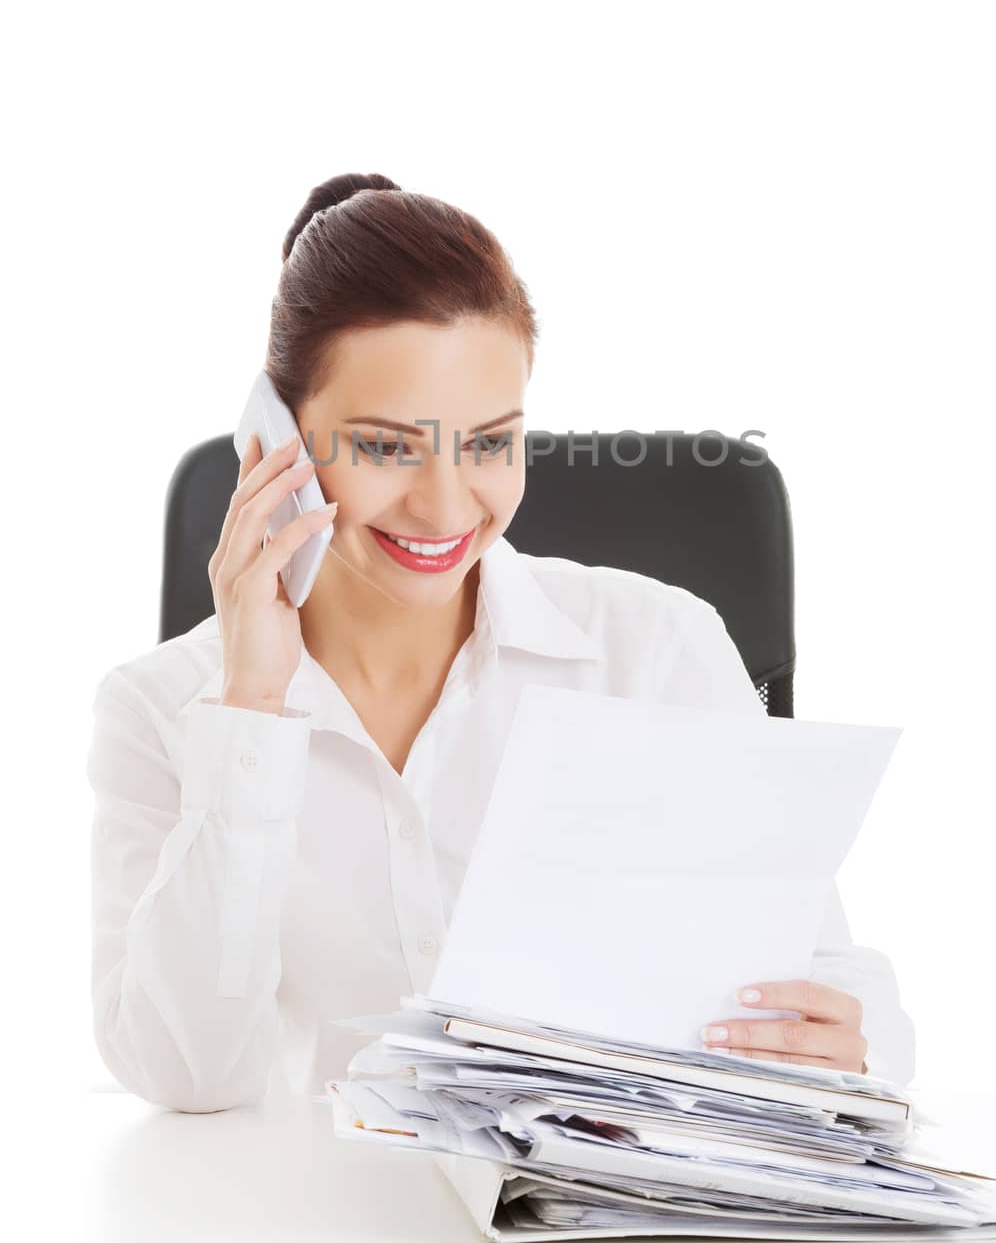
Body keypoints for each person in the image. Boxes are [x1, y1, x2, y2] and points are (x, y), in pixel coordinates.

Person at [86, 172, 915, 1114]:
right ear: (272, 444)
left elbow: (838, 982)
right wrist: (253, 708)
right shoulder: (160, 708)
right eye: (387, 447)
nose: (445, 507)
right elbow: (190, 1079)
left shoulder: (656, 650)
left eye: (489, 444)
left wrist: (845, 1044)